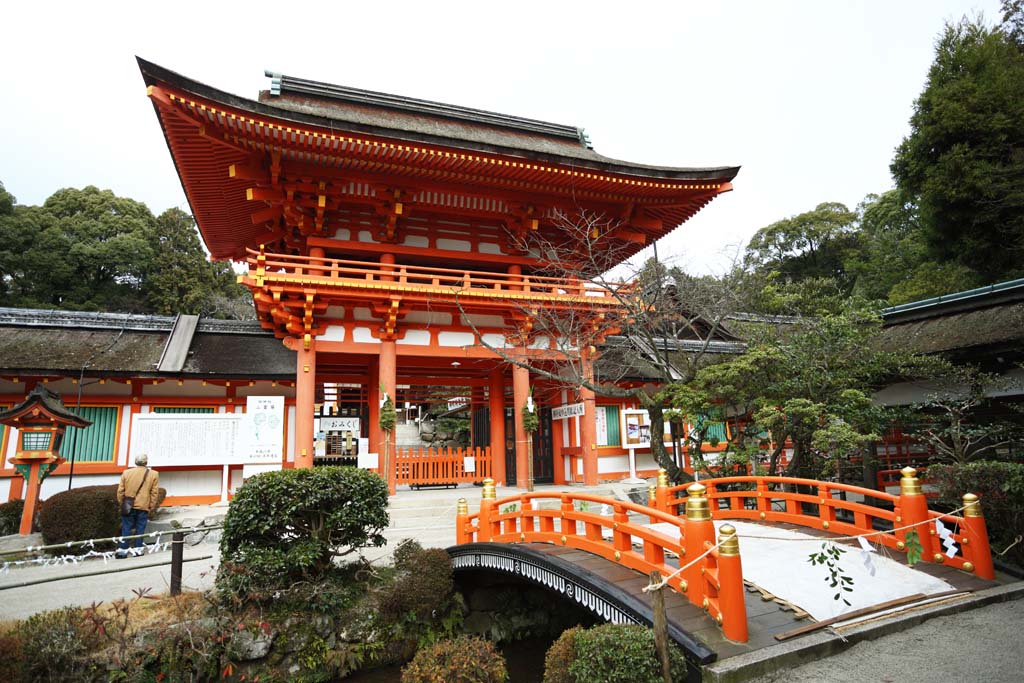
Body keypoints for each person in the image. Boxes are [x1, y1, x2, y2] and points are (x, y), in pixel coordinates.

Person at [115, 454, 160, 558]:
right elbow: (154, 492)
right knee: (140, 528)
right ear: (146, 462)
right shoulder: (154, 474)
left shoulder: (126, 473)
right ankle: (137, 550)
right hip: (143, 506)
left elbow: (120, 491)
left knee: (126, 528)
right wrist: (151, 506)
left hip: (128, 505)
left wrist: (122, 503)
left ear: (135, 462)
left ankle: (123, 551)